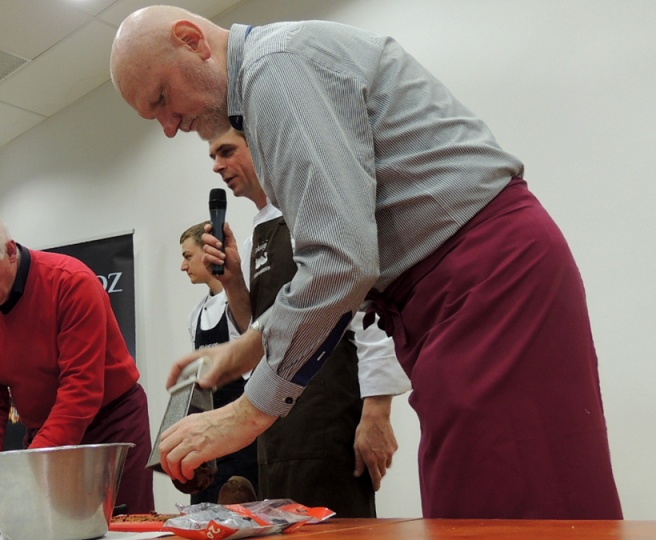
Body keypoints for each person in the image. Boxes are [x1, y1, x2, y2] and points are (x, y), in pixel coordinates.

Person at [110, 6, 622, 519]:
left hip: (487, 278)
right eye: (153, 117)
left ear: (190, 40)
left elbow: (341, 262)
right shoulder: (271, 79)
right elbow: (343, 255)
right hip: (455, 290)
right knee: (477, 502)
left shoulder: (273, 69)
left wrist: (246, 412)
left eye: (162, 99)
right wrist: (251, 346)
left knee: (515, 507)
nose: (170, 127)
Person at [205, 128, 410, 515]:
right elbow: (261, 331)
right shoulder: (252, 238)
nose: (217, 166)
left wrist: (377, 411)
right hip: (275, 425)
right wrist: (233, 281)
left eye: (227, 151)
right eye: (212, 157)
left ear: (260, 146)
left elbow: (367, 311)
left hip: (326, 415)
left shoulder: (310, 215)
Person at [0, 208, 155, 513]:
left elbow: (80, 391)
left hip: (111, 427)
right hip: (43, 431)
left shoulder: (71, 283)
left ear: (10, 252)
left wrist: (29, 468)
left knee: (123, 526)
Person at [178, 221, 258, 504]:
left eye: (188, 257)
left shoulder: (238, 302)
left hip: (242, 432)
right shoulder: (195, 315)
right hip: (208, 438)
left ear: (208, 251)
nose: (183, 266)